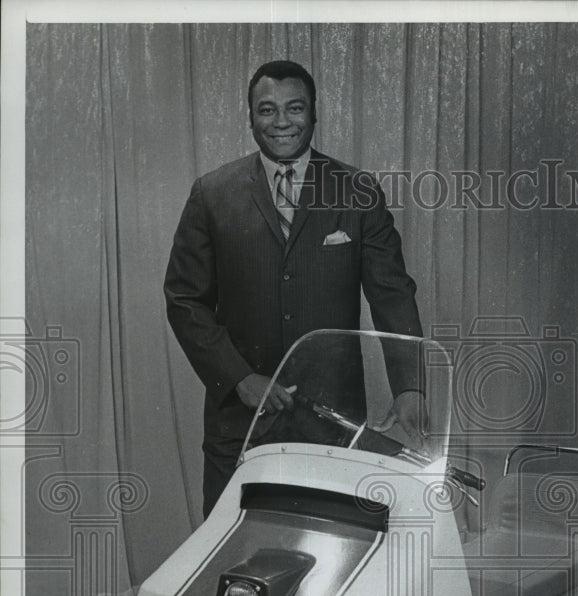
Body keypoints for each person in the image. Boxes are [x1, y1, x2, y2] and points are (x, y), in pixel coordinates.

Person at [164, 59, 424, 517]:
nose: (281, 122)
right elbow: (185, 300)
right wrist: (240, 377)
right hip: (241, 423)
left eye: (294, 108)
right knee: (234, 556)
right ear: (250, 116)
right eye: (267, 110)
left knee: (332, 556)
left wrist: (410, 388)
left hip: (333, 425)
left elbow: (392, 294)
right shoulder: (212, 193)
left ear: (315, 114)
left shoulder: (357, 191)